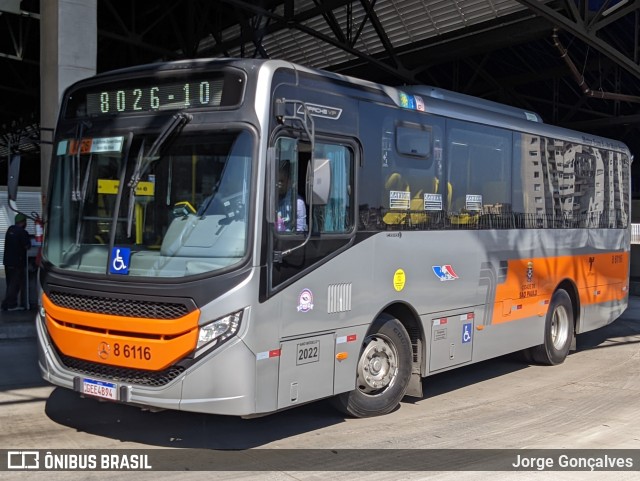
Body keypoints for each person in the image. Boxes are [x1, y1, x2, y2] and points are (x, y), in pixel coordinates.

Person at [2, 213, 31, 311]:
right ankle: (10, 304)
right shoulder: (22, 232)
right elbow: (27, 246)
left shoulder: (10, 229)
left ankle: (6, 304)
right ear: (23, 222)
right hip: (17, 262)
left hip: (7, 261)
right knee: (15, 284)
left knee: (10, 283)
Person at [277, 160, 307, 232]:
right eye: (277, 181)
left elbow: (299, 232)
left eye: (281, 181)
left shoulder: (297, 203)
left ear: (290, 181)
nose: (278, 185)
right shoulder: (269, 200)